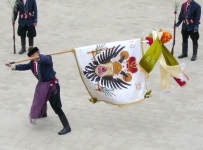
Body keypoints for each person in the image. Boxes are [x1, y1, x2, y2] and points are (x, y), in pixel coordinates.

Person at [5, 47, 71, 135]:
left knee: (56, 106)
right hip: (42, 85)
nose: (31, 58)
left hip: (52, 85)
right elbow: (24, 66)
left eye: (32, 56)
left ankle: (67, 126)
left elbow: (45, 60)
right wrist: (12, 66)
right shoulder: (33, 62)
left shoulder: (47, 58)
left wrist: (41, 55)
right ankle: (44, 113)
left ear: (36, 54)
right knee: (40, 100)